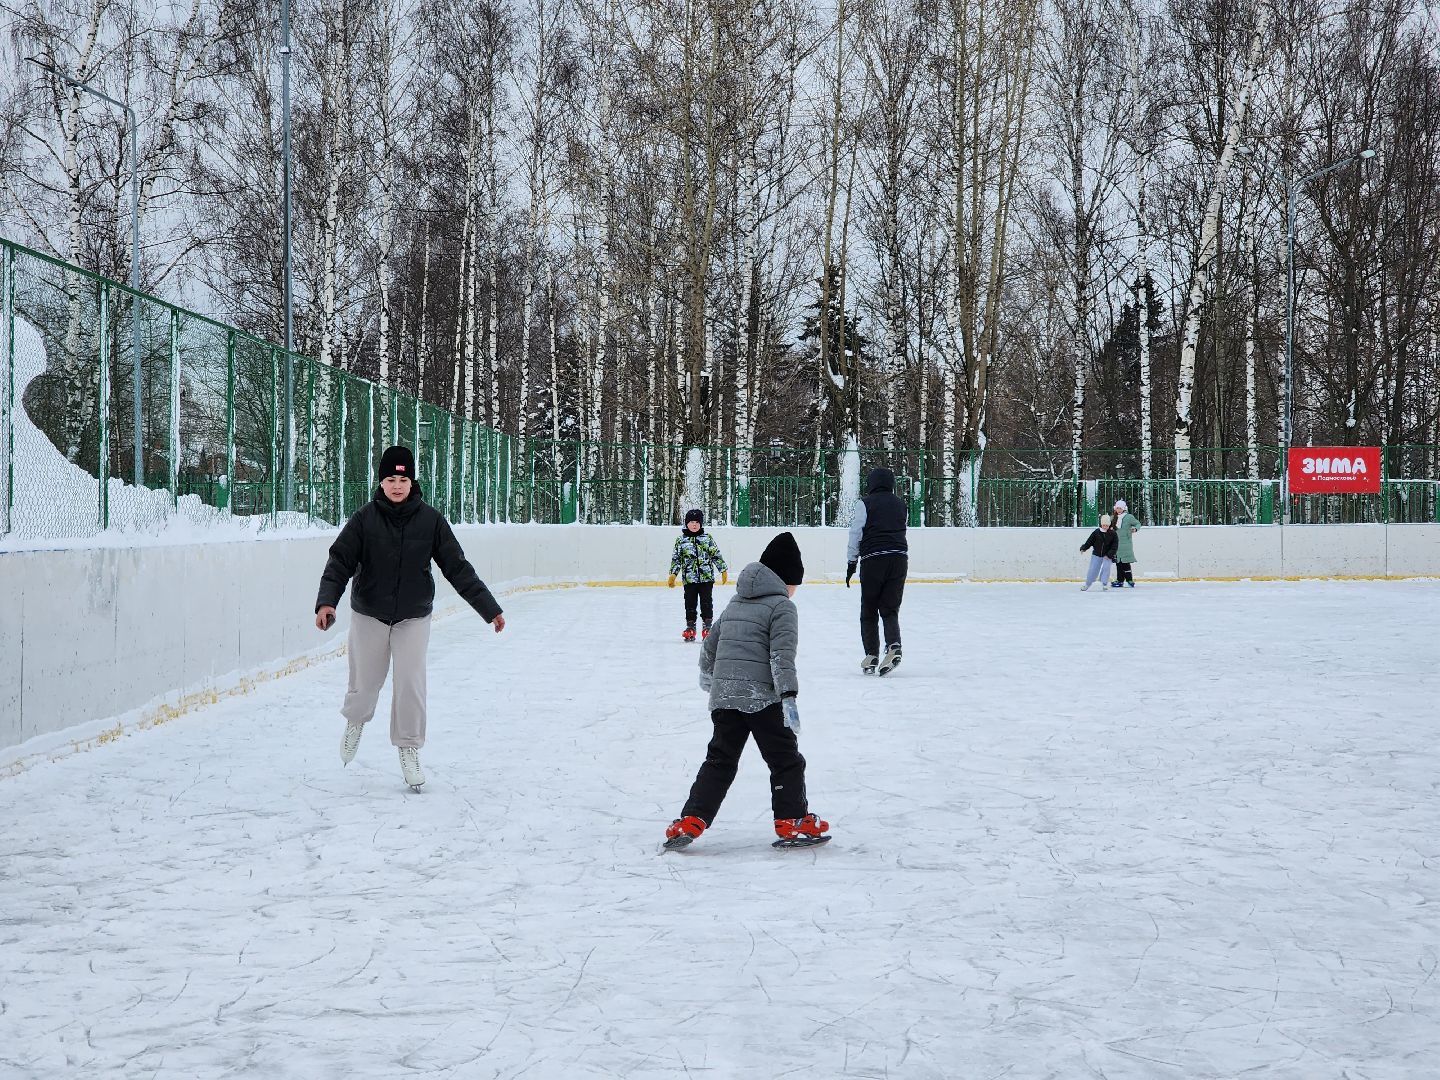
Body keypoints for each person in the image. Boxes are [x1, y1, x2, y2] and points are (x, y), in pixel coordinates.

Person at [315, 445, 506, 790]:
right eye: (390, 478)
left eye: (403, 478)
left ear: (412, 481)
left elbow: (457, 567)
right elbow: (339, 562)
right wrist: (326, 602)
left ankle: (408, 747)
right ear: (381, 482)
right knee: (365, 683)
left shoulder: (431, 521)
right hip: (369, 614)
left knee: (410, 684)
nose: (397, 485)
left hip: (413, 618)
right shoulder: (364, 519)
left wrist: (488, 608)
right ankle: (356, 722)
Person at [663, 531, 830, 850]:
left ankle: (691, 819)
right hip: (762, 699)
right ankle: (792, 820)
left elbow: (709, 647)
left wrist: (711, 682)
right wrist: (789, 697)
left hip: (724, 698)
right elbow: (782, 656)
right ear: (786, 579)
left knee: (719, 761)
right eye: (796, 582)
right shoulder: (782, 607)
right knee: (786, 760)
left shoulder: (735, 601)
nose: (795, 590)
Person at [846, 466, 909, 676]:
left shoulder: (865, 503)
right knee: (890, 608)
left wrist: (851, 562)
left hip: (874, 559)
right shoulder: (901, 504)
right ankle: (893, 646)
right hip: (899, 558)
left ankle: (871, 654)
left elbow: (856, 532)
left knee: (869, 608)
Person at [667, 509, 728, 642]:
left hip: (706, 578)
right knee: (690, 603)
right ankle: (690, 627)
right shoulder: (681, 540)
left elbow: (716, 555)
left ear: (701, 524)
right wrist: (673, 574)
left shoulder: (707, 538)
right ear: (686, 524)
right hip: (689, 579)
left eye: (697, 522)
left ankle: (707, 627)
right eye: (691, 522)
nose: (694, 525)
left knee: (706, 603)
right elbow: (676, 559)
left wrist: (723, 570)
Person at [1079, 514, 1119, 592]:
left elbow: (1115, 546)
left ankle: (1104, 584)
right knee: (1093, 569)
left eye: (1107, 525)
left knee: (1106, 569)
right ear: (1101, 524)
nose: (1105, 527)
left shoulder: (1113, 534)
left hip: (1107, 555)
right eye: (1103, 525)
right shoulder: (1096, 532)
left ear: (1109, 525)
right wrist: (1084, 548)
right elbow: (1089, 541)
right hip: (1096, 554)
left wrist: (1109, 554)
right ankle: (1087, 584)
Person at [1111, 499, 1140, 587]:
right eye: (1117, 508)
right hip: (1116, 544)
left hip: (1126, 543)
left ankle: (1129, 580)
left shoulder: (1129, 517)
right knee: (1118, 563)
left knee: (1126, 563)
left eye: (1120, 508)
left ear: (1123, 508)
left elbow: (1137, 523)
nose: (1118, 510)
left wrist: (1135, 528)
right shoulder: (1113, 518)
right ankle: (1120, 580)